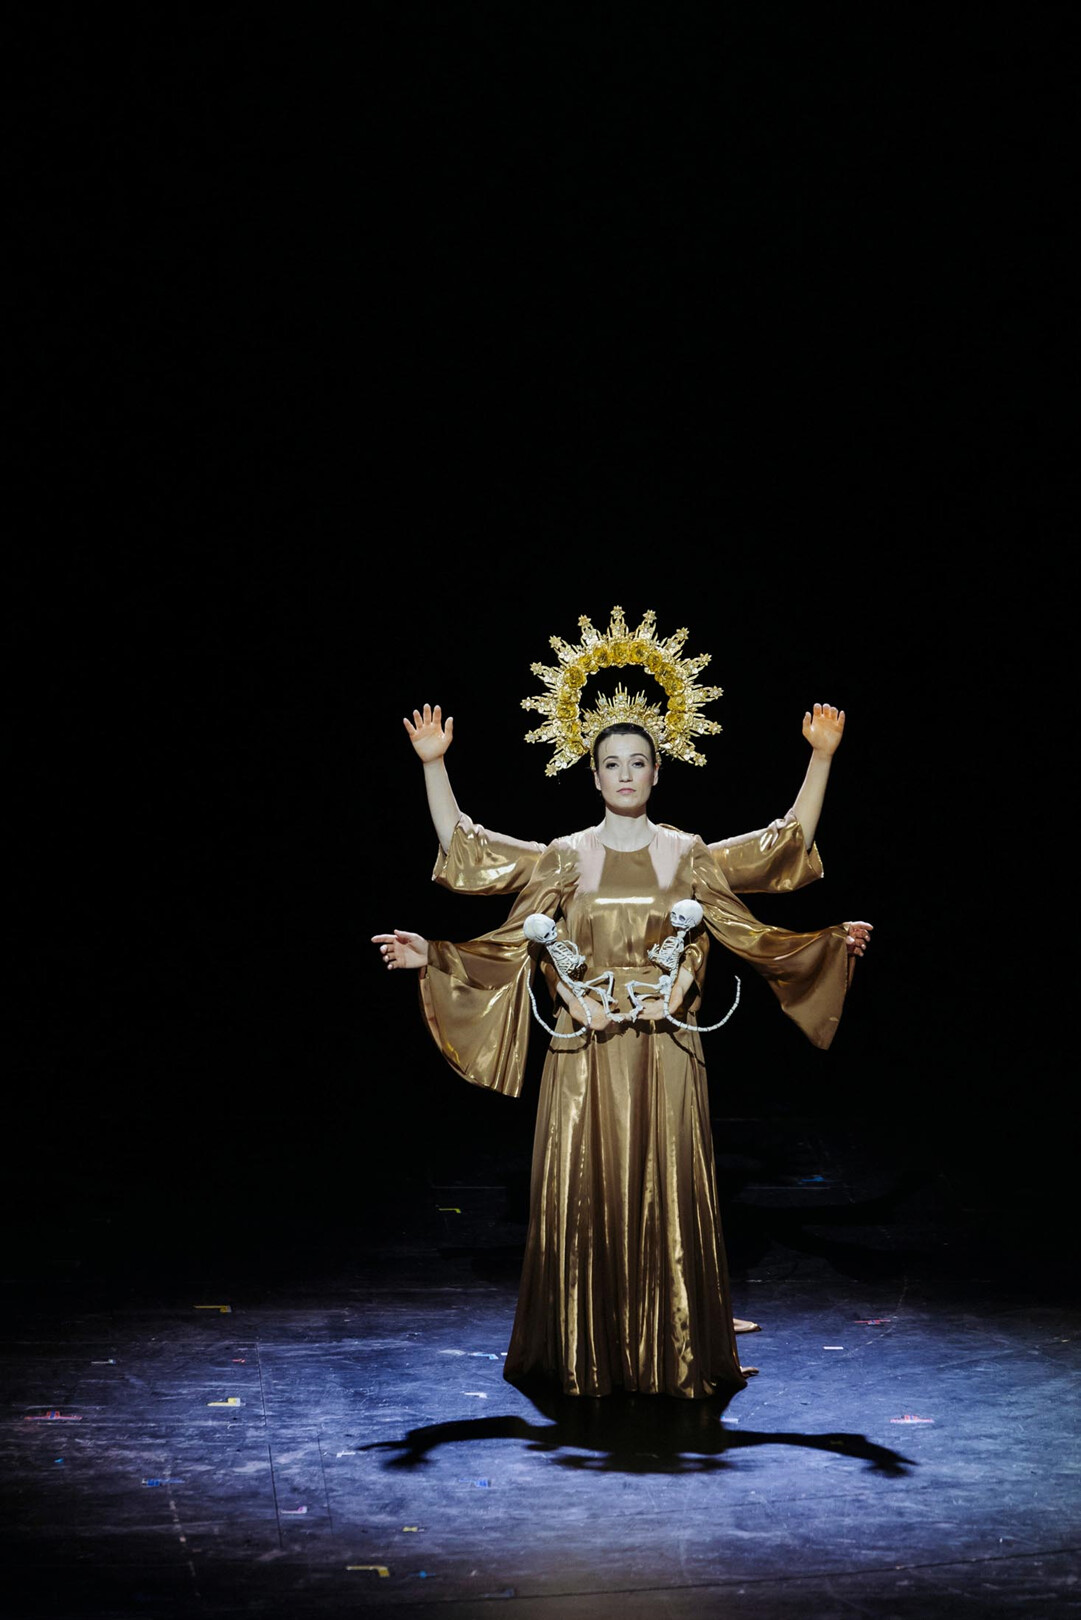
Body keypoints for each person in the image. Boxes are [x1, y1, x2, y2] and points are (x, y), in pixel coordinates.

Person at [374, 696, 871, 1402]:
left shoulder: (687, 852)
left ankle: (678, 1340)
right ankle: (586, 1344)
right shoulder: (566, 855)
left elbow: (778, 851)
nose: (626, 774)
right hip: (585, 1044)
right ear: (595, 776)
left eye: (638, 762)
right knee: (586, 1189)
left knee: (668, 1187)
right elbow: (482, 871)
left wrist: (820, 758)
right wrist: (434, 774)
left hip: (667, 1045)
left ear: (657, 772)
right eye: (612, 764)